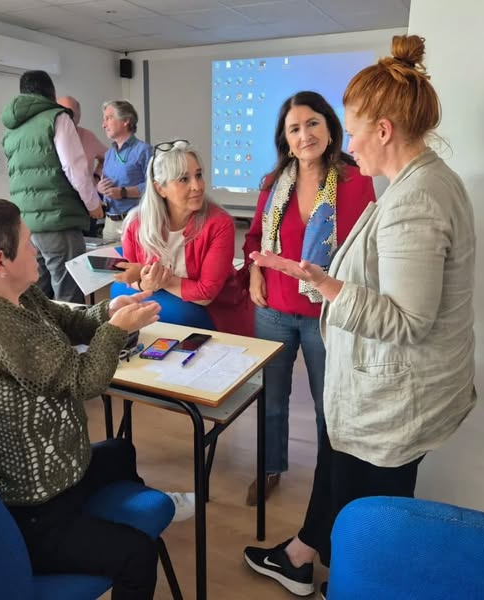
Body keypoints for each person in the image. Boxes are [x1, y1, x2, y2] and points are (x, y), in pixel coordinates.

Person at [243, 35, 477, 598]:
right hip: (379, 389)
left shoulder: (414, 200)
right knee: (338, 468)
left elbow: (409, 318)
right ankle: (305, 557)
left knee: (369, 511)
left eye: (348, 129)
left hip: (393, 397)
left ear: (384, 131)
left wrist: (326, 286)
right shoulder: (419, 183)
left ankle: (350, 583)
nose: (345, 142)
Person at [0, 198, 194, 600]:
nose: (36, 247)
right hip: (34, 503)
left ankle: (128, 513)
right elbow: (82, 381)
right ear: (1, 261)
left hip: (57, 473)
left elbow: (71, 321)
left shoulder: (16, 296)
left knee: (120, 452)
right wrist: (115, 330)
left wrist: (112, 310)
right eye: (27, 242)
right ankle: (118, 530)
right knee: (136, 555)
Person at [241, 91, 375, 506]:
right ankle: (269, 467)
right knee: (271, 397)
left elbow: (365, 252)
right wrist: (255, 273)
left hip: (326, 314)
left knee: (327, 403)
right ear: (285, 139)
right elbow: (253, 240)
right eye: (294, 128)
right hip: (274, 310)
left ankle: (328, 481)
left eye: (312, 123)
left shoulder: (356, 182)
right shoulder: (271, 184)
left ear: (331, 127)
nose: (305, 135)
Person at [113, 140, 252, 336]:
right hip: (163, 322)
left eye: (198, 175)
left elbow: (205, 294)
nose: (197, 186)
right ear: (160, 189)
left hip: (217, 319)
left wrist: (157, 279)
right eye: (184, 179)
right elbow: (130, 278)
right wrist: (144, 282)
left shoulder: (219, 223)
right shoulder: (136, 223)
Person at [1, 71, 103, 303]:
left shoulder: (13, 128)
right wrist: (93, 204)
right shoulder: (57, 117)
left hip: (26, 224)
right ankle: (71, 340)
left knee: (37, 292)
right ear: (51, 94)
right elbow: (74, 167)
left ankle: (39, 338)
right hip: (57, 218)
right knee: (69, 289)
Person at [99, 100, 153, 242]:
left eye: (108, 118)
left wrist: (123, 192)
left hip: (135, 222)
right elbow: (104, 187)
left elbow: (154, 185)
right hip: (110, 224)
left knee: (135, 264)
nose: (104, 125)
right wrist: (99, 188)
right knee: (107, 264)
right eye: (104, 120)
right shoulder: (109, 154)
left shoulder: (144, 150)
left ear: (126, 121)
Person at [57, 95, 108, 179]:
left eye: (70, 113)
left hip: (85, 191)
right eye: (61, 112)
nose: (65, 118)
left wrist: (97, 176)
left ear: (78, 116)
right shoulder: (46, 137)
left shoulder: (88, 137)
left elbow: (109, 158)